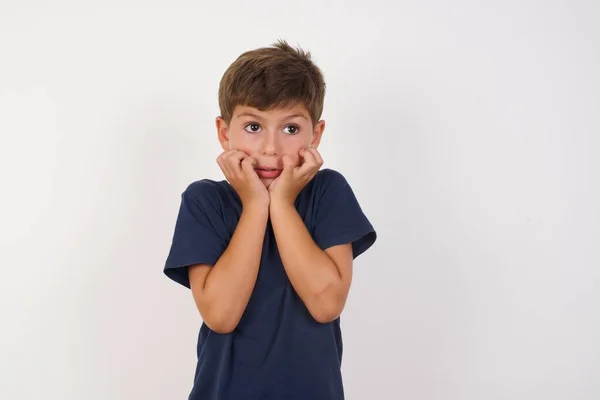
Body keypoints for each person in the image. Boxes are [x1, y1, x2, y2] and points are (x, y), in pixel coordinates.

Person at [164, 40, 377, 400]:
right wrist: (254, 206)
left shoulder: (328, 192)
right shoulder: (204, 201)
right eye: (253, 127)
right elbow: (221, 315)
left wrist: (281, 203)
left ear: (316, 134)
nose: (270, 148)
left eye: (290, 129)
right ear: (223, 131)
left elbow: (326, 304)